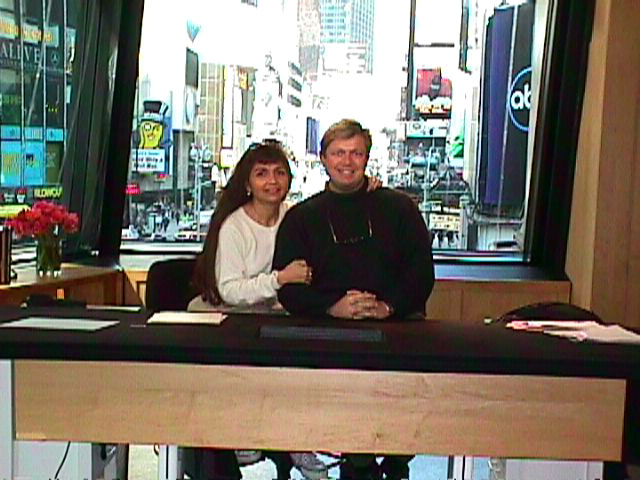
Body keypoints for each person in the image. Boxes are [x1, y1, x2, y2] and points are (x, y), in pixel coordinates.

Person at [272, 119, 435, 480]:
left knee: (399, 406)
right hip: (328, 336)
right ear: (323, 158)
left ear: (367, 158)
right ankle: (356, 461)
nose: (347, 162)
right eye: (338, 153)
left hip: (396, 331)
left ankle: (391, 460)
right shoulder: (301, 218)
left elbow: (422, 274)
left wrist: (387, 307)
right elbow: (288, 289)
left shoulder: (400, 209)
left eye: (356, 153)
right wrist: (332, 307)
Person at [189, 141, 328, 480]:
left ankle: (296, 440)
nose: (272, 181)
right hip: (232, 314)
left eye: (279, 173)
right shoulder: (234, 226)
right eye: (262, 173)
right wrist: (280, 279)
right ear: (248, 183)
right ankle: (247, 432)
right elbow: (230, 290)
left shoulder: (295, 217)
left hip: (273, 313)